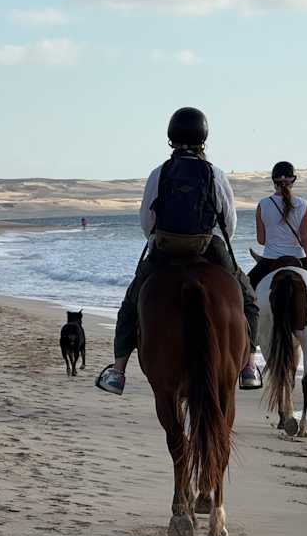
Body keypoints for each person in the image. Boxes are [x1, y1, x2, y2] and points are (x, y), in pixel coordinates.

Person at [95, 107, 262, 395]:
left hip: (165, 249)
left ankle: (118, 372)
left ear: (171, 139)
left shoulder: (159, 173)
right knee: (248, 299)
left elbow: (147, 222)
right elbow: (229, 223)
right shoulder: (215, 173)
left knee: (131, 304)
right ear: (204, 139)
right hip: (208, 247)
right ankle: (248, 366)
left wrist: (160, 238)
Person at [246, 161, 307, 311]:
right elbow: (306, 239)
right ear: (293, 180)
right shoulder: (302, 204)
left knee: (246, 292)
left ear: (273, 181)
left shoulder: (263, 204)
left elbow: (261, 240)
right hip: (298, 258)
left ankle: (249, 330)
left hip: (270, 259)